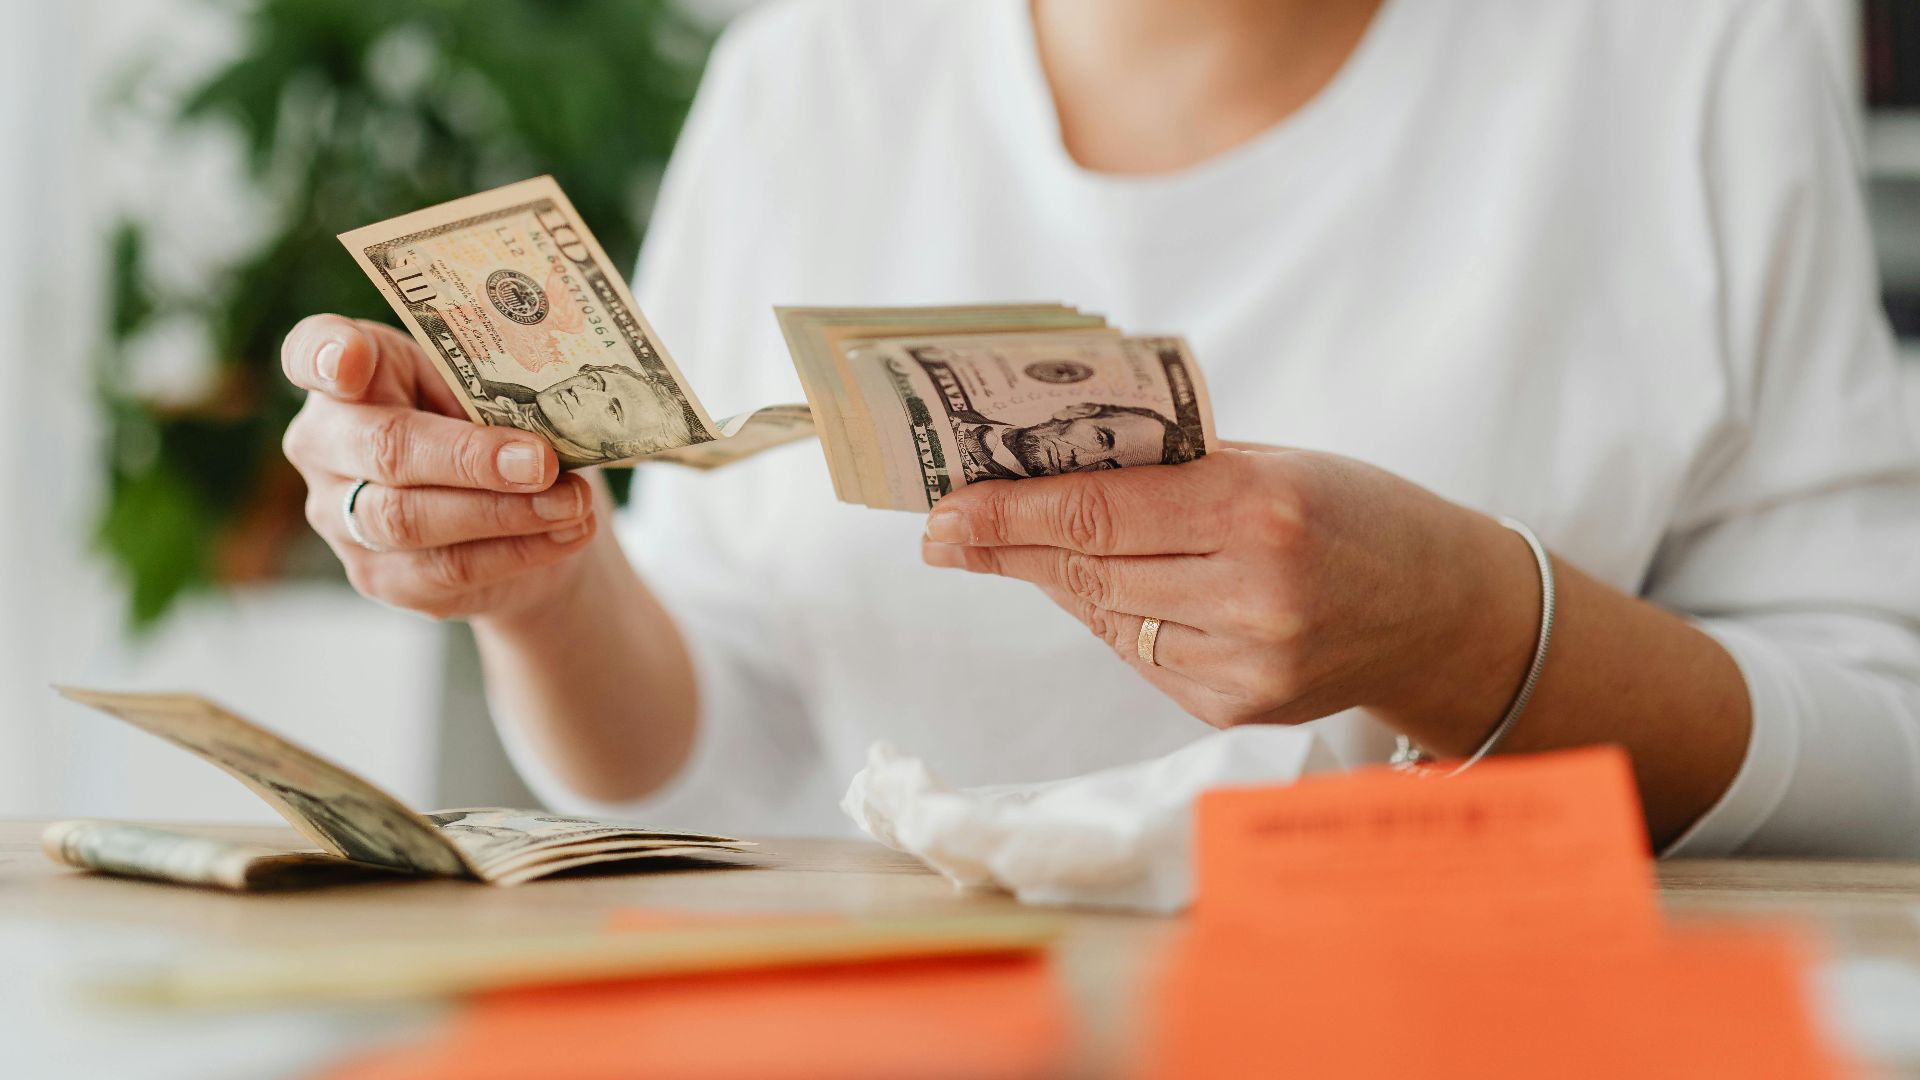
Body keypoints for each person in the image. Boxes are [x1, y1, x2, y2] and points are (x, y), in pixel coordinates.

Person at [280, 0, 1920, 855]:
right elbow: (721, 753)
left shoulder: (1692, 49)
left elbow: (1883, 748)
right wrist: (545, 596)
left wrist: (1474, 629)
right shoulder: (805, 79)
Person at [471, 365, 698, 467]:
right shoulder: (485, 385)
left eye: (613, 410)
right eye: (595, 381)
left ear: (619, 450)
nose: (582, 391)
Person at [955, 402, 1191, 480]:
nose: (1082, 460)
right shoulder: (956, 413)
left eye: (1108, 467)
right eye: (1100, 439)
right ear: (1078, 411)